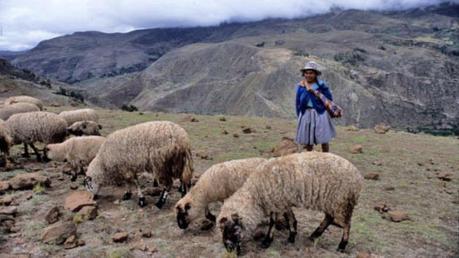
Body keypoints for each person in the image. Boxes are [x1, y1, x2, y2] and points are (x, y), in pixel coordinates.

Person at [295, 61, 336, 152]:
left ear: (316, 74)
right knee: (308, 141)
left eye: (311, 73)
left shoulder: (321, 86)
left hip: (320, 113)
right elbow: (298, 102)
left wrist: (316, 94)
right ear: (304, 74)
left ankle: (326, 157)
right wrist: (300, 115)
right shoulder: (301, 86)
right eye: (306, 73)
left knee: (324, 139)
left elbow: (328, 99)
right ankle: (310, 158)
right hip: (306, 113)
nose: (308, 75)